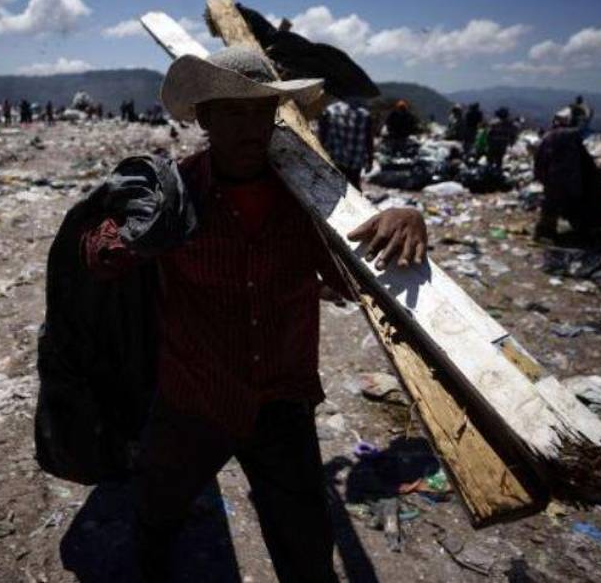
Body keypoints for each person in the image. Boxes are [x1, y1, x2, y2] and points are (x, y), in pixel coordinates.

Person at [78, 46, 428, 582]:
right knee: (156, 516)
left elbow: (349, 282)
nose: (249, 128)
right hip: (195, 398)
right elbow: (100, 257)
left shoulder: (312, 199)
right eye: (233, 113)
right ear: (207, 119)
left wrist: (404, 220)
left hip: (281, 401)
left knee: (305, 546)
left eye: (259, 112)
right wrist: (119, 239)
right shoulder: (177, 192)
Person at [533, 107, 601, 239]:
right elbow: (581, 129)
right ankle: (580, 229)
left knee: (550, 207)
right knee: (571, 204)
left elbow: (540, 159)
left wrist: (540, 176)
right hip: (570, 179)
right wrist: (586, 113)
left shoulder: (548, 137)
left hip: (553, 179)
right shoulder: (568, 135)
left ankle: (544, 232)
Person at [317, 99, 374, 189]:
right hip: (355, 160)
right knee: (354, 187)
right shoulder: (365, 115)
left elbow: (322, 136)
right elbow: (369, 140)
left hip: (336, 157)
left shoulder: (330, 110)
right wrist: (370, 161)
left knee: (334, 187)